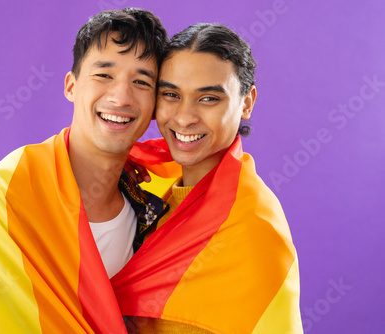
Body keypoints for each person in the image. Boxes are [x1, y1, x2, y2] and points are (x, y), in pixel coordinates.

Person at [0, 8, 168, 334]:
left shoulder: (159, 213)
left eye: (141, 81)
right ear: (71, 86)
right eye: (104, 75)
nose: (121, 96)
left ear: (156, 103)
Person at [112, 23, 303, 333]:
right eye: (171, 94)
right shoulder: (143, 186)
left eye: (208, 99)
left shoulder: (254, 226)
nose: (185, 117)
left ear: (247, 102)